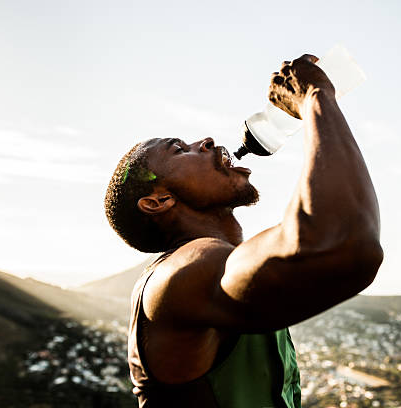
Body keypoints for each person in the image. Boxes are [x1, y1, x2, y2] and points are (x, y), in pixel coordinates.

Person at [104, 54, 383, 408]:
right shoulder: (181, 275)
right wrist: (315, 95)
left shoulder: (221, 265)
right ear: (157, 201)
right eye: (180, 149)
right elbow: (340, 238)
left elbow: (322, 233)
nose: (204, 141)